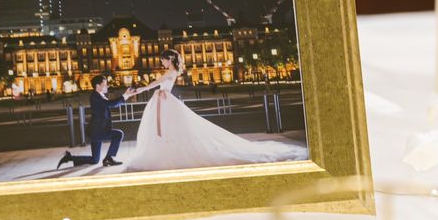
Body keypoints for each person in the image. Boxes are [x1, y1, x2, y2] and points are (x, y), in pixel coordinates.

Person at [126, 49, 307, 172]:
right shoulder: (171, 71)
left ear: (170, 59)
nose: (162, 62)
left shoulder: (170, 72)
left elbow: (155, 84)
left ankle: (167, 152)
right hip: (164, 101)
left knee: (171, 128)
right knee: (174, 128)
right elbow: (157, 84)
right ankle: (168, 151)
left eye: (163, 60)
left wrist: (139, 90)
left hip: (164, 101)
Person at [57, 75, 133, 169]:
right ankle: (109, 158)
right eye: (104, 84)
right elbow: (110, 104)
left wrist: (126, 96)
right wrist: (125, 96)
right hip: (97, 131)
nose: (107, 86)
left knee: (94, 160)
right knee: (118, 134)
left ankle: (69, 158)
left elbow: (111, 104)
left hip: (96, 130)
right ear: (98, 86)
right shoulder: (95, 97)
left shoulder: (100, 95)